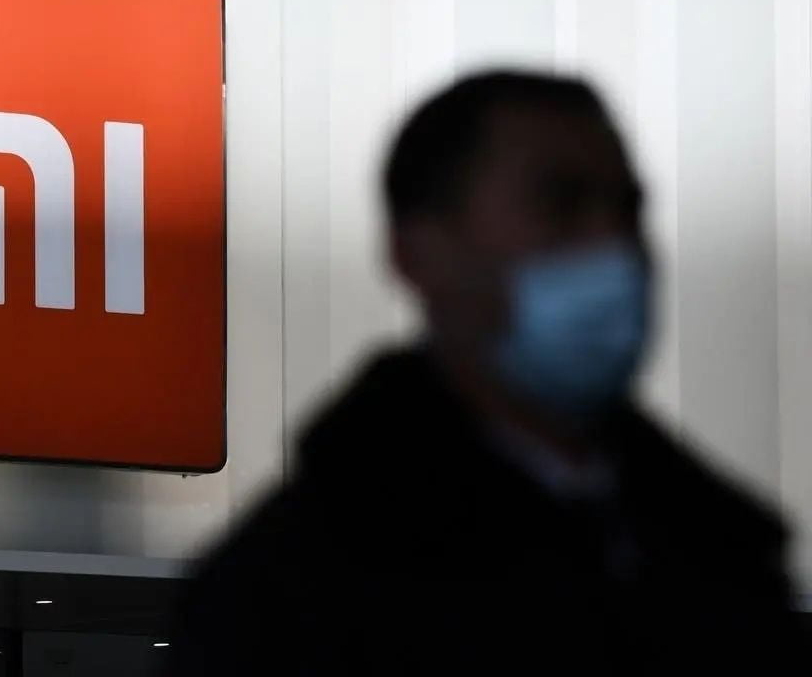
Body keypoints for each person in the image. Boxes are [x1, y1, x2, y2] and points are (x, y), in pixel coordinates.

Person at [163, 72, 806, 673]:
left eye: (628, 209)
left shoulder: (721, 555)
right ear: (418, 252)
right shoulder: (290, 594)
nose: (612, 243)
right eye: (562, 204)